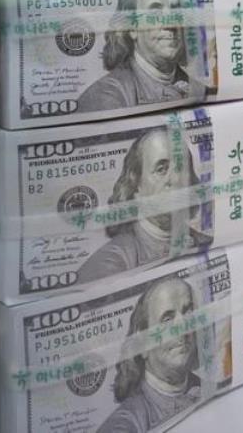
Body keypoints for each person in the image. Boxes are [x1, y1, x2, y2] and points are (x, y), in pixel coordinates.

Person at [77, 127, 212, 284]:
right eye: (161, 169)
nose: (175, 179)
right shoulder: (107, 265)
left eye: (181, 167)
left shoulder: (206, 242)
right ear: (135, 187)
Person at [78, 0, 207, 112]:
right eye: (155, 12)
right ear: (132, 27)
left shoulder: (201, 90)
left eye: (176, 11)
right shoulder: (104, 99)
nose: (171, 24)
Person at [97, 278, 201, 433]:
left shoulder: (207, 385)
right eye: (167, 319)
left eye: (188, 313)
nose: (183, 328)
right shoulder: (125, 423)